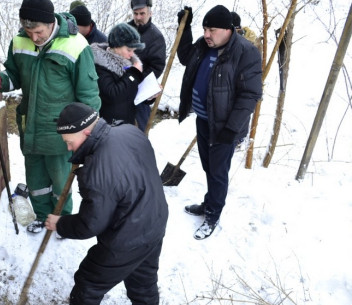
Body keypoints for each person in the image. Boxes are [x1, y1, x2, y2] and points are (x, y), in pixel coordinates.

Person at [0, 0, 101, 234]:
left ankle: (61, 220)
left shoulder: (76, 45)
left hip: (61, 133)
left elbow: (89, 96)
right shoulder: (19, 41)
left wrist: (85, 134)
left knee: (59, 182)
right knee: (36, 183)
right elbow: (15, 76)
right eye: (28, 31)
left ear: (51, 22)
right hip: (31, 128)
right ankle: (43, 216)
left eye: (38, 32)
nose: (33, 38)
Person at [45, 103, 169, 304]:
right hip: (154, 221)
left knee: (88, 284)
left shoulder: (96, 171)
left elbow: (90, 224)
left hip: (127, 238)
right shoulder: (130, 131)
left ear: (86, 131)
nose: (68, 148)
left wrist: (60, 224)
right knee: (143, 285)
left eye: (69, 142)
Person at [176, 5, 262, 239]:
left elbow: (250, 95)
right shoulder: (204, 46)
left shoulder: (246, 52)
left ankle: (212, 214)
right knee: (208, 167)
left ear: (228, 30)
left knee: (218, 172)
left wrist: (231, 130)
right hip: (204, 120)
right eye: (204, 29)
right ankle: (208, 203)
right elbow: (185, 57)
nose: (206, 34)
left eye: (211, 29)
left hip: (225, 127)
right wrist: (184, 28)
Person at [90, 23, 144, 125]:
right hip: (110, 125)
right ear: (116, 46)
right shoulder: (101, 65)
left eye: (133, 51)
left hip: (127, 121)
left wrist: (149, 96)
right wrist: (134, 74)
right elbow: (113, 95)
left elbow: (133, 90)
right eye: (129, 50)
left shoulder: (130, 62)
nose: (132, 54)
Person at [128, 0, 166, 132]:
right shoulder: (125, 30)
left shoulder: (156, 37)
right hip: (120, 91)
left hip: (141, 93)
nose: (138, 17)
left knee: (138, 136)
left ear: (150, 12)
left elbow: (157, 66)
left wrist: (136, 78)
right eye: (135, 13)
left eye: (142, 13)